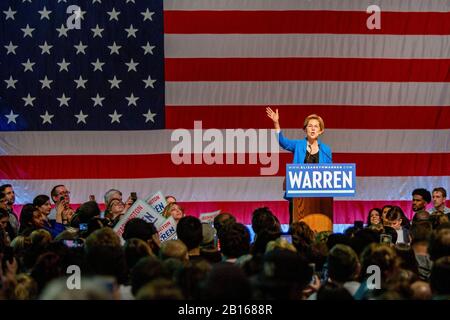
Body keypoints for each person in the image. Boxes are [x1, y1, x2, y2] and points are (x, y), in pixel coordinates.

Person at [266, 108, 332, 225]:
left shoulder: (326, 150)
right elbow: (282, 141)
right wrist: (276, 123)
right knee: (296, 226)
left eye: (316, 126)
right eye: (310, 126)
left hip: (319, 197)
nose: (312, 128)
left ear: (321, 131)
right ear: (305, 129)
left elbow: (330, 174)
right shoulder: (298, 145)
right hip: (298, 195)